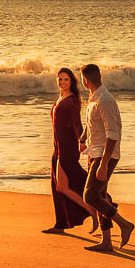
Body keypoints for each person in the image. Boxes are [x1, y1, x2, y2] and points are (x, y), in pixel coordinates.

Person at [79, 63, 135, 251]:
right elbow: (92, 123)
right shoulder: (93, 98)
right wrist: (82, 139)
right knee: (101, 196)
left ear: (85, 80)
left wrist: (104, 164)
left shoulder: (105, 100)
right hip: (94, 152)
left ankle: (125, 224)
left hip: (105, 155)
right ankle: (107, 241)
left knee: (90, 196)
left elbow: (112, 135)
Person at [42, 68, 99, 235]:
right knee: (59, 186)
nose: (62, 82)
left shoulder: (72, 100)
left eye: (65, 79)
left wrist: (81, 141)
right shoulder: (60, 98)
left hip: (67, 147)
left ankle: (94, 210)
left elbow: (76, 123)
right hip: (57, 146)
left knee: (65, 185)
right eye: (59, 79)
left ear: (71, 82)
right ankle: (61, 223)